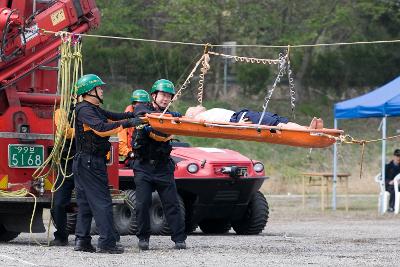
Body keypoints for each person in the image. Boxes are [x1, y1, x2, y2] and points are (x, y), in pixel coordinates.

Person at [73, 74, 141, 254]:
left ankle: (82, 240)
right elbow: (102, 129)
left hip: (85, 162)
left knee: (86, 203)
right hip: (89, 161)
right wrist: (128, 123)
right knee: (102, 202)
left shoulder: (93, 108)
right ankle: (107, 243)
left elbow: (114, 116)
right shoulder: (85, 110)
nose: (102, 90)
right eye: (99, 88)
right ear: (90, 91)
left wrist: (135, 114)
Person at [131, 79, 186, 250]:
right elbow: (140, 112)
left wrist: (174, 118)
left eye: (169, 96)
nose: (165, 99)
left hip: (162, 166)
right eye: (162, 95)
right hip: (143, 166)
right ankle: (143, 238)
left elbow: (172, 125)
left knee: (172, 203)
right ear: (154, 95)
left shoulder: (171, 115)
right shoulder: (143, 108)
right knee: (142, 203)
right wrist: (168, 118)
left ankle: (179, 239)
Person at [50, 103, 76, 246]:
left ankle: (85, 237)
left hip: (84, 163)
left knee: (92, 202)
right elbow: (66, 132)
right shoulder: (61, 112)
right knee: (58, 203)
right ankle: (61, 236)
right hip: (67, 164)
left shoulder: (92, 111)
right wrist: (86, 129)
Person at [185, 106, 324, 130]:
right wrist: (237, 124)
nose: (198, 105)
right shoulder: (200, 117)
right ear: (192, 114)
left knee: (280, 120)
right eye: (195, 106)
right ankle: (307, 130)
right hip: (242, 118)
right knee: (277, 124)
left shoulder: (207, 112)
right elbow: (214, 124)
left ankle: (306, 128)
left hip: (246, 114)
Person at [118, 89, 151, 167]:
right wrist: (130, 153)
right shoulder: (125, 121)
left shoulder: (150, 117)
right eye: (140, 104)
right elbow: (121, 144)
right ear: (133, 105)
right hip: (133, 156)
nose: (142, 107)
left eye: (145, 104)